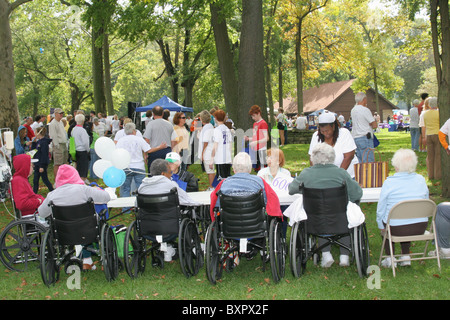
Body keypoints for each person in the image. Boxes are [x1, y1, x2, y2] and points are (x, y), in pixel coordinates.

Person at [289, 143, 362, 267]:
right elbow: (357, 193)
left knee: (320, 213)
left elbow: (291, 189)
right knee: (346, 214)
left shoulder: (306, 173)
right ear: (332, 157)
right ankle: (344, 256)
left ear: (313, 158)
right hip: (340, 218)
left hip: (314, 220)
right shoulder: (341, 173)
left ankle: (326, 254)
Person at [38, 164, 111, 270]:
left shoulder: (52, 195)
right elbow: (106, 197)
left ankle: (85, 259)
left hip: (63, 232)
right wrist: (97, 190)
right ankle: (96, 258)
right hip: (88, 230)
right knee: (93, 221)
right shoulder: (84, 190)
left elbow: (42, 213)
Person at [376, 149, 429, 268]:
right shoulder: (421, 179)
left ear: (396, 165)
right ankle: (405, 256)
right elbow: (426, 200)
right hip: (419, 226)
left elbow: (381, 208)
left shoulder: (389, 182)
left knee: (387, 224)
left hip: (396, 228)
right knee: (408, 216)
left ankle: (390, 257)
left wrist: (380, 224)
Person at [210, 152, 283, 221]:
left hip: (229, 226)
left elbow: (216, 205)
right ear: (250, 168)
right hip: (256, 225)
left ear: (234, 169)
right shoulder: (260, 182)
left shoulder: (223, 184)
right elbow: (270, 200)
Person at [116, 123, 167, 203]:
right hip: (139, 167)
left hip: (125, 166)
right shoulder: (139, 139)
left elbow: (117, 152)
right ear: (133, 131)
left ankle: (125, 207)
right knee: (141, 187)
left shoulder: (121, 140)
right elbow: (148, 150)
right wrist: (159, 147)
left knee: (125, 188)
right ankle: (141, 205)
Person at [308, 111, 359, 178]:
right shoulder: (316, 136)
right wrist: (316, 175)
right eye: (322, 131)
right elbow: (312, 157)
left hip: (348, 176)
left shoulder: (344, 133)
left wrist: (338, 176)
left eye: (327, 130)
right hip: (325, 177)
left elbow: (349, 157)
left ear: (333, 127)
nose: (325, 133)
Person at [143, 105, 177, 171]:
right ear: (162, 113)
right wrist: (171, 150)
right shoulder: (169, 124)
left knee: (153, 172)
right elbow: (174, 140)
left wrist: (145, 154)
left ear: (153, 114)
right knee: (166, 172)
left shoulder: (150, 124)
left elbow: (147, 140)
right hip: (167, 151)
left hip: (154, 151)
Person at [350, 92, 377, 163]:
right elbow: (374, 125)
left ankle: (361, 174)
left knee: (360, 161)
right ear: (364, 99)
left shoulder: (353, 110)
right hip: (365, 137)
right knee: (368, 161)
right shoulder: (365, 110)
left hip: (356, 137)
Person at [422, 97, 441, 180]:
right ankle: (438, 175)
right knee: (438, 155)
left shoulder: (425, 114)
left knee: (430, 156)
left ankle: (430, 175)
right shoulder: (439, 113)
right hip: (437, 134)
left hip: (428, 135)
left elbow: (424, 125)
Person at [212, 109, 233, 181]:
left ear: (216, 118)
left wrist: (212, 158)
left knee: (221, 179)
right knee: (227, 178)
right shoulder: (227, 129)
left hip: (220, 159)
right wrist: (230, 157)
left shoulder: (217, 130)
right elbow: (230, 145)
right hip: (227, 158)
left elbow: (215, 145)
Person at [246, 105, 269, 172]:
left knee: (263, 170)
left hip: (262, 149)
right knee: (258, 170)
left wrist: (256, 142)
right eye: (252, 116)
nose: (253, 118)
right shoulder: (255, 124)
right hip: (256, 149)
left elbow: (266, 138)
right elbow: (255, 137)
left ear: (258, 113)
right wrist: (248, 139)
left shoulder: (263, 123)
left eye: (254, 116)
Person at [31, 127, 53, 194]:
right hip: (37, 163)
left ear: (38, 133)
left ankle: (52, 191)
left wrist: (42, 166)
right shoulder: (38, 142)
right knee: (35, 180)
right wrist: (33, 143)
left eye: (35, 132)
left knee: (45, 179)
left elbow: (44, 154)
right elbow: (34, 151)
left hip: (41, 164)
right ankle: (34, 193)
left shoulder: (44, 143)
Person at [197, 110, 215, 190]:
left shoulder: (207, 128)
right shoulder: (209, 126)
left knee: (210, 171)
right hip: (209, 151)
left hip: (207, 152)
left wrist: (202, 153)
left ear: (201, 119)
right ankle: (211, 186)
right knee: (209, 170)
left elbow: (205, 142)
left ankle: (212, 187)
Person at [48, 108, 68, 177]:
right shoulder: (53, 123)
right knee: (57, 163)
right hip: (58, 145)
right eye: (60, 113)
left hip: (63, 143)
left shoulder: (61, 122)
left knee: (64, 162)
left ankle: (63, 177)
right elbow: (53, 136)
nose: (61, 115)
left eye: (62, 113)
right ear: (55, 114)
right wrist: (56, 145)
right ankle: (57, 180)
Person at [71, 114, 90, 183]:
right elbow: (86, 142)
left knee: (78, 167)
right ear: (83, 121)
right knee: (83, 168)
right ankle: (82, 181)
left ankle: (78, 180)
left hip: (76, 150)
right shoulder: (82, 130)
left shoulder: (73, 129)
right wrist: (88, 150)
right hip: (83, 150)